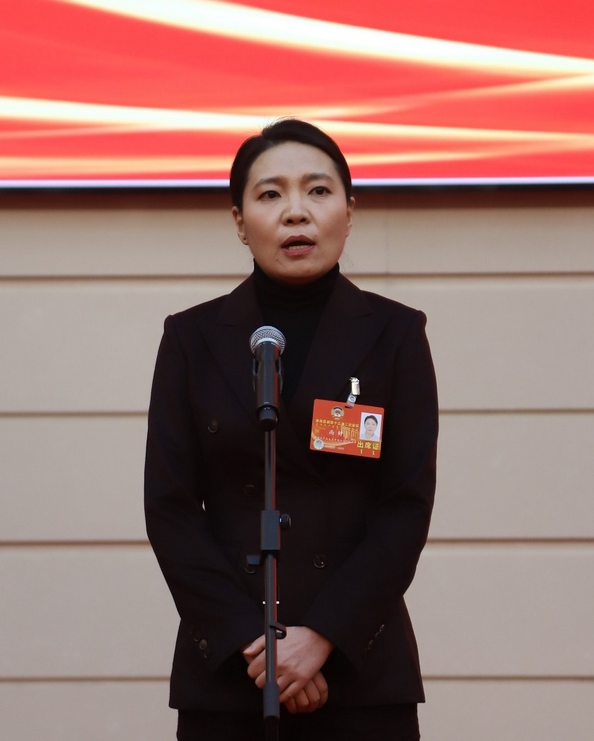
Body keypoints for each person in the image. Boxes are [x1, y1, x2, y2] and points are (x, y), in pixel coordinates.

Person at [144, 118, 438, 740]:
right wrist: (256, 646)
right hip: (233, 675)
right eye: (271, 194)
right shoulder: (191, 339)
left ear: (349, 212)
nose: (296, 211)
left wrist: (321, 637)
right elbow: (170, 508)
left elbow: (404, 506)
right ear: (239, 220)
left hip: (360, 670)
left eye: (318, 191)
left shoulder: (396, 335)